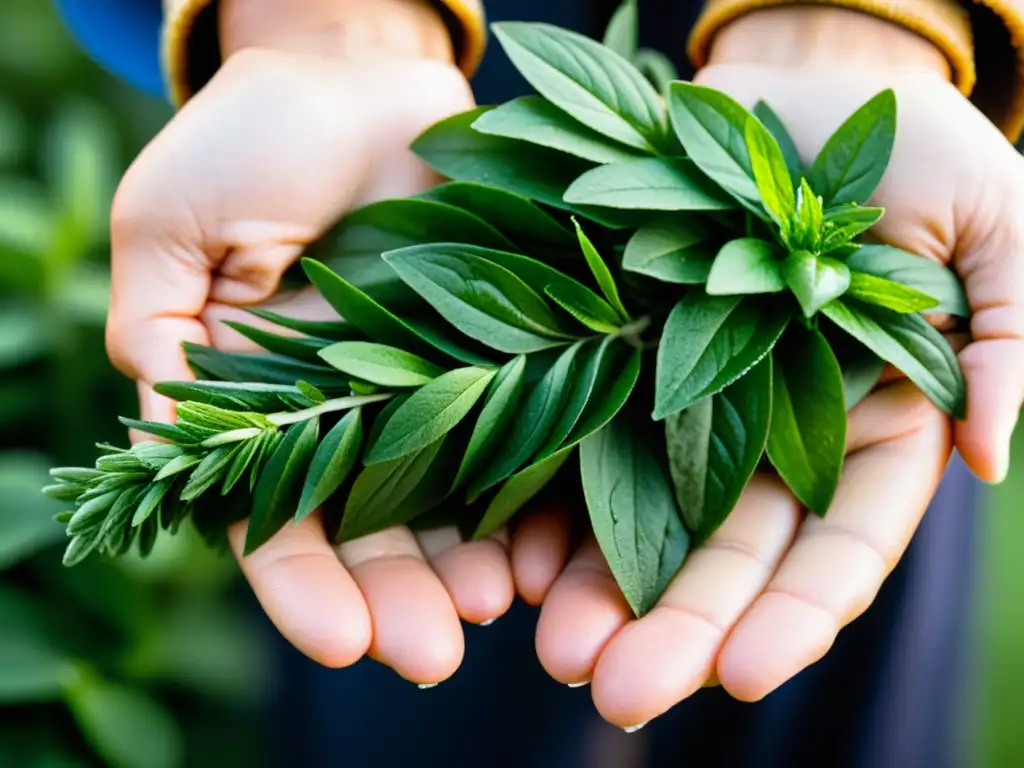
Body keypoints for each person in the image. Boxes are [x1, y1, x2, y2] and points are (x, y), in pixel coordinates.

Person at [53, 0, 1024, 765]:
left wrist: (869, 25)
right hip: (453, 128)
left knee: (813, 685)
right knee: (426, 698)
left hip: (778, 206)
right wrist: (320, 25)